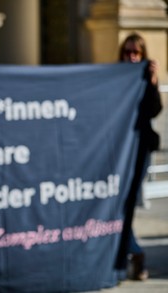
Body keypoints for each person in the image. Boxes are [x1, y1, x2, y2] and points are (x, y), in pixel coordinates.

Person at [116, 32, 163, 281]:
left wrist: (153, 81)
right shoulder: (114, 77)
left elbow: (154, 111)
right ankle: (132, 252)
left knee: (127, 203)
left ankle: (133, 252)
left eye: (137, 53)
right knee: (117, 201)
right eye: (128, 52)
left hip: (139, 149)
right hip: (116, 151)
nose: (132, 57)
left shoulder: (145, 78)